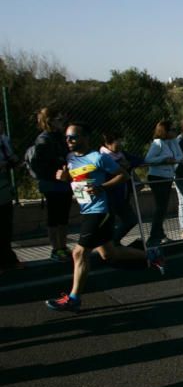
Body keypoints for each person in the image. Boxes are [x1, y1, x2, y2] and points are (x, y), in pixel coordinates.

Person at [45, 123, 162, 312]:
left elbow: (123, 176)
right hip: (86, 210)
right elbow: (77, 182)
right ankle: (151, 254)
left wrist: (102, 187)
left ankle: (74, 298)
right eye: (66, 137)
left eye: (73, 137)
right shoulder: (70, 158)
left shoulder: (98, 158)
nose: (68, 141)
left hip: (100, 211)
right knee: (109, 253)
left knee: (78, 253)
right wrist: (66, 178)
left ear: (84, 138)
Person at [30, 108, 72, 261]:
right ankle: (56, 248)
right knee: (54, 216)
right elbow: (46, 163)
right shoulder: (44, 139)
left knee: (64, 216)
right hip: (52, 184)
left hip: (65, 182)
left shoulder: (60, 137)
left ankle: (63, 245)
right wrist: (61, 162)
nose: (61, 122)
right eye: (58, 120)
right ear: (50, 121)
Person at [143, 120, 182, 246]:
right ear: (165, 131)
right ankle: (154, 236)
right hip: (157, 177)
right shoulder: (158, 143)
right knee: (160, 207)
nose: (174, 132)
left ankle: (160, 234)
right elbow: (148, 159)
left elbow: (180, 156)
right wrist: (164, 159)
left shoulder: (171, 142)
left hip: (167, 176)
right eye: (172, 129)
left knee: (163, 207)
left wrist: (173, 158)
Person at [99, 131, 139, 246]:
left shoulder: (122, 154)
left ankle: (114, 242)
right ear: (108, 143)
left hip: (123, 195)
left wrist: (128, 164)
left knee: (130, 220)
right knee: (109, 222)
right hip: (109, 195)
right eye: (118, 141)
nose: (121, 144)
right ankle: (110, 245)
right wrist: (118, 166)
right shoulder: (101, 157)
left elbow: (139, 160)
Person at [0, 120, 20, 272]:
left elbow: (14, 160)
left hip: (4, 190)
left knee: (6, 227)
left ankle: (8, 259)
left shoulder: (4, 140)